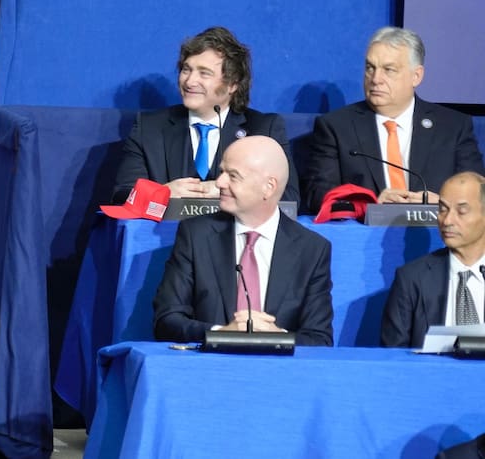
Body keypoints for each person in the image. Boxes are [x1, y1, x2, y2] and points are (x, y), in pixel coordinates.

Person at [152, 135, 334, 345]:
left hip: (279, 372)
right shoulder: (196, 235)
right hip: (209, 368)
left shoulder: (311, 249)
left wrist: (278, 337)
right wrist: (222, 333)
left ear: (269, 187)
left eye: (233, 176)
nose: (219, 183)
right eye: (222, 171)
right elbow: (166, 321)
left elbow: (320, 339)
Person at [303, 27, 484, 213]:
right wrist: (371, 205)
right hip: (365, 234)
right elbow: (318, 195)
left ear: (416, 76)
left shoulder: (453, 127)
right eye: (370, 68)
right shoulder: (337, 127)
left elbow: (479, 194)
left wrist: (445, 203)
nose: (375, 79)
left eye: (388, 70)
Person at [111, 26, 300, 204]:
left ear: (233, 84)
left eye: (204, 73)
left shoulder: (263, 129)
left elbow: (289, 197)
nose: (190, 81)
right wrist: (162, 194)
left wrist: (232, 190)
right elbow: (122, 194)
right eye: (186, 69)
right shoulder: (150, 127)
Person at [381, 172, 485, 348]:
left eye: (462, 211)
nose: (447, 220)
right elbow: (393, 358)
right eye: (442, 209)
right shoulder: (411, 279)